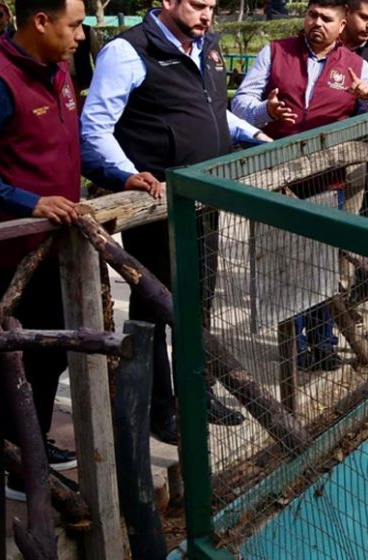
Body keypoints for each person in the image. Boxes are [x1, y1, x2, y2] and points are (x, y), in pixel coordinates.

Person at [81, 0, 271, 445]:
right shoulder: (127, 52)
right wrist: (127, 173)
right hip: (156, 207)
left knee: (199, 297)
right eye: (198, 5)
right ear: (167, 2)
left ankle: (197, 391)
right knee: (155, 304)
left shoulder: (206, 47)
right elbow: (94, 129)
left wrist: (251, 133)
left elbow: (208, 109)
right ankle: (157, 406)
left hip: (203, 201)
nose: (208, 14)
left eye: (213, 6)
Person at [0, 0, 98, 501]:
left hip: (51, 246)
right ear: (41, 21)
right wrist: (28, 202)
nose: (81, 36)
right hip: (7, 253)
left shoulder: (59, 71)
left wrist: (120, 173)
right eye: (74, 25)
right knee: (24, 357)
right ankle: (17, 468)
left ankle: (28, 444)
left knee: (47, 357)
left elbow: (70, 146)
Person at [231, 0, 368, 372]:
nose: (316, 23)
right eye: (312, 15)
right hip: (276, 178)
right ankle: (295, 344)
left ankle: (325, 342)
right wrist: (265, 112)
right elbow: (239, 105)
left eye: (326, 19)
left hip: (326, 181)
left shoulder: (356, 66)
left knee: (323, 262)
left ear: (342, 24)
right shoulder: (274, 52)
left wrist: (366, 97)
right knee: (283, 263)